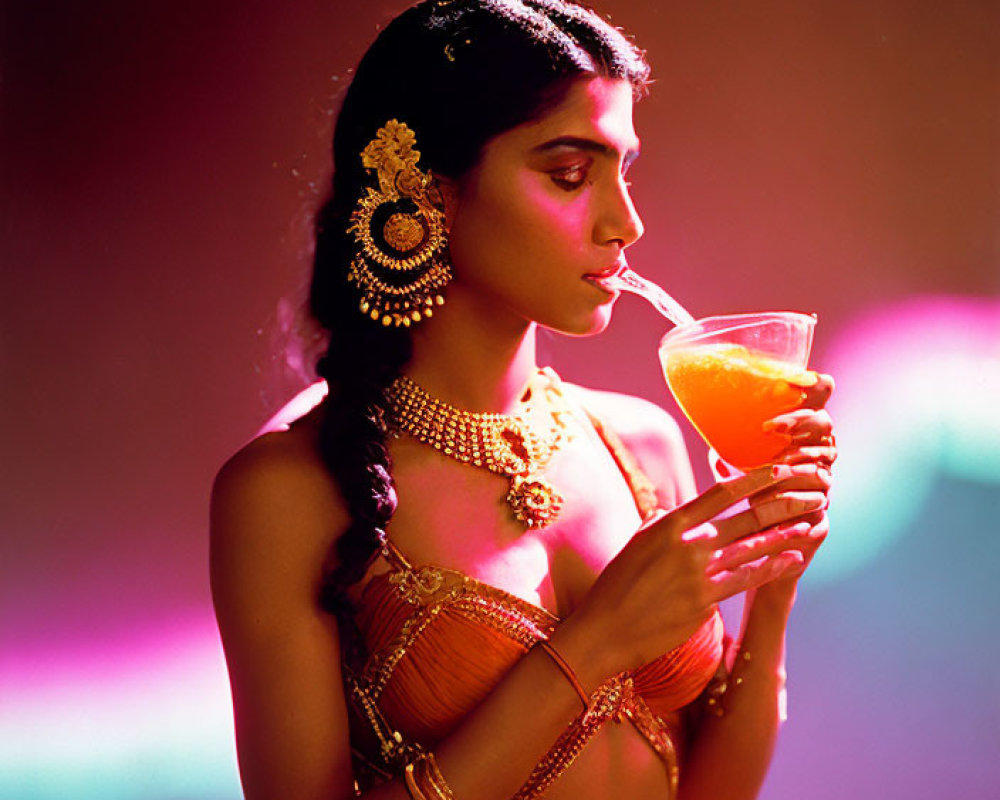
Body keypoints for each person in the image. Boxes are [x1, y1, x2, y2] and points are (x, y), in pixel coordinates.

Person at [209, 2, 836, 799]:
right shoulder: (286, 495)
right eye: (571, 174)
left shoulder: (641, 447)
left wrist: (775, 575)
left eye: (624, 170)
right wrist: (594, 645)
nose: (626, 222)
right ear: (426, 194)